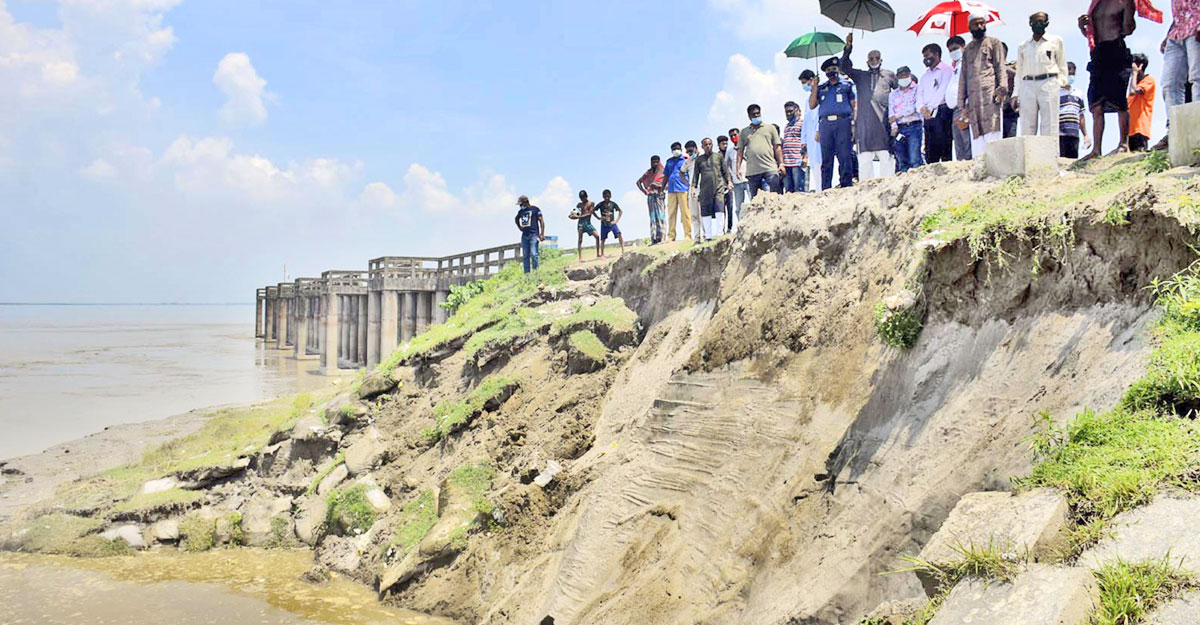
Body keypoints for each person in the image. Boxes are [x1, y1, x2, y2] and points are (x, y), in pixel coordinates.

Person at [1079, 0, 1137, 159]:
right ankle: (1096, 149)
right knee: (1096, 105)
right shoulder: (1095, 5)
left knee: (1119, 101)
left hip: (1116, 51)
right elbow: (1092, 34)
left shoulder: (1122, 2)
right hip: (1098, 54)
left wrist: (1128, 8)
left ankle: (1123, 144)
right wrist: (1082, 27)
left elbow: (1129, 29)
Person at [841, 32, 896, 180]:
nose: (874, 61)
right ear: (867, 62)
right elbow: (844, 67)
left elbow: (899, 95)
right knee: (865, 161)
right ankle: (867, 189)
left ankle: (887, 186)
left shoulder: (889, 75)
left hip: (883, 125)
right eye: (871, 59)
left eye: (877, 58)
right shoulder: (861, 76)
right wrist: (848, 48)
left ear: (881, 60)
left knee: (886, 159)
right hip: (865, 126)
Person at [958, 12, 1008, 157]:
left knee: (993, 131)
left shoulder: (994, 43)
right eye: (976, 24)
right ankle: (980, 166)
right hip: (973, 99)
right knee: (977, 137)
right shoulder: (967, 50)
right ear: (969, 27)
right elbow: (963, 77)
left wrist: (1002, 89)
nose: (980, 27)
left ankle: (995, 165)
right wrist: (961, 104)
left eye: (982, 23)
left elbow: (1000, 67)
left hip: (991, 95)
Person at [1016, 12, 1069, 136]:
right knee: (1027, 125)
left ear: (1047, 23)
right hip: (1027, 84)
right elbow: (1019, 72)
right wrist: (1015, 94)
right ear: (1030, 23)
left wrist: (1059, 83)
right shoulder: (1023, 45)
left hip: (1048, 82)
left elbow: (1062, 65)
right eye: (1035, 22)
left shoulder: (1056, 41)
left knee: (1049, 123)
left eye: (1041, 21)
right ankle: (1029, 149)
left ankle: (1049, 149)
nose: (1038, 24)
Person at [1157, 0, 1200, 150]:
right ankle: (1175, 130)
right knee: (1170, 83)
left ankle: (1198, 128)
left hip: (1196, 27)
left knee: (1197, 78)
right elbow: (1182, 10)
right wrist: (1168, 34)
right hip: (1177, 32)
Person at [810, 57, 857, 189]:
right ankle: (826, 188)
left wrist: (854, 124)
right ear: (825, 73)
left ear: (838, 70)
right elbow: (812, 105)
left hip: (843, 122)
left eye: (834, 69)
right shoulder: (821, 88)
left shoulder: (847, 85)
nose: (832, 71)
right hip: (825, 125)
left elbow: (854, 105)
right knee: (826, 158)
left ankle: (846, 185)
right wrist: (814, 87)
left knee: (844, 156)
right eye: (829, 70)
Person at [736, 103, 785, 198]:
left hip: (770, 168)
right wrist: (738, 169)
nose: (756, 116)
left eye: (758, 113)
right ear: (749, 116)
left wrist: (781, 164)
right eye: (753, 114)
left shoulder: (770, 128)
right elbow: (740, 151)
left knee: (776, 196)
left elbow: (777, 147)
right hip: (753, 171)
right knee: (756, 200)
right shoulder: (744, 132)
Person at [918, 43, 954, 163]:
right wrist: (922, 108)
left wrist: (931, 108)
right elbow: (919, 95)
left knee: (944, 146)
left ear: (937, 54)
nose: (925, 59)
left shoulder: (947, 70)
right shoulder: (925, 76)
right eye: (924, 57)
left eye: (927, 55)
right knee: (930, 150)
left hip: (942, 111)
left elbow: (943, 91)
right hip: (927, 116)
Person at [691, 137, 732, 242]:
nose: (708, 146)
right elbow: (695, 175)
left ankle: (720, 234)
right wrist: (693, 187)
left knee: (720, 208)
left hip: (719, 187)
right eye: (706, 144)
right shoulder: (699, 160)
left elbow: (725, 171)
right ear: (702, 146)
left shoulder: (718, 157)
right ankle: (708, 236)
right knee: (705, 212)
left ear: (712, 145)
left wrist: (729, 182)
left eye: (710, 144)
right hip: (705, 190)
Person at [889, 66, 924, 173]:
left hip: (914, 126)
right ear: (897, 77)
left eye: (905, 75)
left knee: (914, 158)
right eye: (901, 75)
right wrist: (894, 126)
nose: (903, 77)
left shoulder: (917, 89)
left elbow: (914, 107)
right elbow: (891, 112)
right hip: (900, 128)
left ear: (909, 75)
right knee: (901, 158)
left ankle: (916, 179)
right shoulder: (893, 94)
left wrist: (898, 115)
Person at [946, 36, 973, 160]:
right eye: (950, 50)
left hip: (964, 108)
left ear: (963, 47)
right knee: (959, 145)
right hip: (955, 110)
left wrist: (966, 106)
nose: (953, 52)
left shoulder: (967, 62)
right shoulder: (956, 66)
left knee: (967, 142)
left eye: (955, 48)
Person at [799, 70, 825, 191]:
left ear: (811, 80)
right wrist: (804, 141)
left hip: (819, 135)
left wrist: (819, 130)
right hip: (810, 138)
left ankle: (823, 189)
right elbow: (806, 121)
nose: (804, 86)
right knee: (814, 164)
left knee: (821, 163)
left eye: (805, 82)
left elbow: (821, 115)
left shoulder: (822, 94)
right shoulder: (807, 101)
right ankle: (819, 189)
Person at [1059, 62, 1092, 158]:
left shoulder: (1078, 94)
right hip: (1059, 134)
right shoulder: (1055, 93)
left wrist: (1085, 135)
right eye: (1068, 74)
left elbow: (1081, 115)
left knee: (1072, 160)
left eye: (1072, 74)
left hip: (1074, 133)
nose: (1070, 76)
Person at [662, 142, 692, 241]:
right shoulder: (669, 162)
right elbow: (666, 176)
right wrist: (662, 189)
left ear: (681, 149)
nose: (676, 150)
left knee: (685, 213)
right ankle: (671, 236)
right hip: (671, 190)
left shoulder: (686, 160)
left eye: (677, 148)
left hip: (683, 188)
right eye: (674, 149)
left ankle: (688, 235)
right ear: (671, 151)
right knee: (671, 213)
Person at [1128, 53, 1157, 151]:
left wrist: (1134, 73)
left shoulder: (1149, 80)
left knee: (1139, 153)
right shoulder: (1135, 82)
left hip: (1140, 127)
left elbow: (1134, 91)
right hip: (1130, 128)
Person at [635, 156, 666, 244]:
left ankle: (662, 238)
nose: (655, 164)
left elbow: (667, 181)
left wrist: (660, 187)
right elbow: (638, 182)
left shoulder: (663, 171)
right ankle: (654, 238)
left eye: (656, 162)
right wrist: (644, 191)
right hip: (651, 196)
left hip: (659, 195)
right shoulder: (648, 173)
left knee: (661, 216)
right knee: (653, 217)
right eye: (653, 162)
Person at [719, 134, 744, 231]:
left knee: (730, 206)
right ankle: (721, 229)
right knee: (721, 208)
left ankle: (730, 227)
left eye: (726, 144)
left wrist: (730, 181)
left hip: (731, 183)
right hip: (721, 185)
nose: (725, 146)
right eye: (723, 144)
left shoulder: (731, 152)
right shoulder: (717, 156)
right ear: (719, 145)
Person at [514, 195, 544, 274]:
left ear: (526, 202)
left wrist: (542, 234)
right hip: (525, 235)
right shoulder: (521, 211)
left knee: (534, 254)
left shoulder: (535, 209)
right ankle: (527, 274)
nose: (520, 205)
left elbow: (541, 221)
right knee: (525, 255)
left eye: (521, 204)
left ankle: (535, 272)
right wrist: (520, 227)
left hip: (533, 234)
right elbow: (516, 219)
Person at [781, 101, 806, 193]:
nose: (788, 114)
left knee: (799, 191)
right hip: (787, 163)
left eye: (790, 111)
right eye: (786, 112)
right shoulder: (786, 126)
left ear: (796, 110)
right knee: (788, 192)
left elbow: (805, 142)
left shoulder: (803, 124)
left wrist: (805, 157)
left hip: (797, 162)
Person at [681, 140, 702, 243]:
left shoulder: (703, 158)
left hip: (702, 188)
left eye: (691, 151)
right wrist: (687, 183)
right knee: (694, 215)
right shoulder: (688, 161)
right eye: (688, 152)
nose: (689, 153)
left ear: (696, 148)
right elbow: (681, 172)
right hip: (692, 190)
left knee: (703, 214)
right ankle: (697, 237)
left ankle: (706, 235)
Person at [571, 190, 601, 261]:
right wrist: (572, 216)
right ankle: (580, 257)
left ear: (586, 196)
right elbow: (574, 213)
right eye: (581, 198)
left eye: (583, 198)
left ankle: (598, 253)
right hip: (581, 223)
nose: (582, 200)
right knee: (580, 239)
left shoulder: (591, 203)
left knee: (597, 236)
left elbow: (590, 213)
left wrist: (598, 218)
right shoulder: (579, 205)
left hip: (587, 223)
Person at [596, 189, 625, 256]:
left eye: (608, 196)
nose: (606, 198)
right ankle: (602, 254)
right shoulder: (600, 204)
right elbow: (593, 211)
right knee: (603, 239)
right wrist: (598, 217)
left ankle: (623, 250)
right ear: (603, 196)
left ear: (610, 196)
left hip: (612, 224)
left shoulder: (613, 204)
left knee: (619, 234)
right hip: (604, 224)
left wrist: (616, 220)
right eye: (605, 196)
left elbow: (620, 211)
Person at [1002, 46, 1019, 138]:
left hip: (1009, 108)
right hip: (993, 108)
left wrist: (1005, 68)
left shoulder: (1012, 65)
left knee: (1010, 138)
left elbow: (1019, 76)